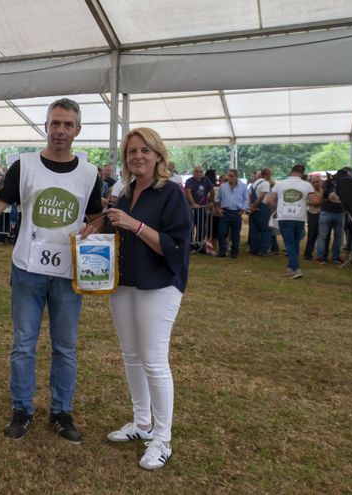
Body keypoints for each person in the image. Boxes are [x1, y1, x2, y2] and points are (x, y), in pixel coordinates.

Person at [0, 98, 103, 443]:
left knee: (65, 347)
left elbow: (96, 217)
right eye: (55, 123)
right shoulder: (24, 166)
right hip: (27, 270)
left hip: (67, 274)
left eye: (68, 124)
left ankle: (61, 411)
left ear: (78, 130)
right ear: (45, 126)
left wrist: (95, 228)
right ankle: (22, 409)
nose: (60, 130)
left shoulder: (89, 173)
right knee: (23, 344)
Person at [104, 127, 191, 471]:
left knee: (154, 359)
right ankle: (142, 424)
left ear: (158, 155)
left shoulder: (171, 193)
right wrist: (98, 228)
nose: (137, 156)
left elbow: (175, 246)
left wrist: (134, 225)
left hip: (159, 284)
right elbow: (117, 231)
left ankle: (163, 437)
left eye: (144, 150)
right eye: (131, 151)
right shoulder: (125, 193)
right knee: (131, 355)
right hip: (124, 284)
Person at [266, 164, 322, 279]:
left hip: (284, 216)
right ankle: (292, 267)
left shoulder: (279, 184)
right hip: (299, 217)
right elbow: (316, 201)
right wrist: (320, 191)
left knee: (289, 243)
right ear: (302, 173)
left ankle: (294, 268)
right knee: (295, 243)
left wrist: (277, 208)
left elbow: (269, 200)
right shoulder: (307, 185)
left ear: (291, 171)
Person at [315, 167, 352, 265]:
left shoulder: (330, 182)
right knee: (332, 237)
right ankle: (328, 257)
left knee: (329, 237)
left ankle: (326, 257)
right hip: (334, 212)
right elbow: (333, 196)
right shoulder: (337, 183)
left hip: (332, 212)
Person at [214, 169, 248, 258]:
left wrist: (242, 210)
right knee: (221, 232)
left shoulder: (243, 187)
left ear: (236, 176)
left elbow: (246, 199)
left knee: (236, 234)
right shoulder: (223, 186)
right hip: (225, 212)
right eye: (228, 175)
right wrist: (217, 208)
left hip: (237, 212)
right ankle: (222, 251)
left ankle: (234, 252)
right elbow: (217, 198)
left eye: (231, 176)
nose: (229, 178)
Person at [184, 165, 214, 251]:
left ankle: (199, 245)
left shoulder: (206, 180)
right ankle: (189, 245)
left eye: (200, 171)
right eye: (196, 171)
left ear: (203, 172)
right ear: (193, 173)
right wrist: (193, 203)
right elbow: (187, 192)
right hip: (191, 208)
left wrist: (211, 201)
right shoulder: (189, 181)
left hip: (202, 208)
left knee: (201, 227)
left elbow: (212, 190)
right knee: (190, 227)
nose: (199, 173)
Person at [247, 168, 273, 256]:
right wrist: (255, 205)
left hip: (254, 209)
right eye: (270, 174)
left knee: (254, 230)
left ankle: (253, 249)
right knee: (266, 230)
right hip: (262, 208)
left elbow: (249, 195)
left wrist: (251, 206)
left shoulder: (254, 183)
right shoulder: (266, 183)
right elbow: (262, 196)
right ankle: (263, 250)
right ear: (267, 174)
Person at [303, 174, 323, 260]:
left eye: (317, 182)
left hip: (322, 213)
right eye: (314, 182)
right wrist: (314, 202)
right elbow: (306, 201)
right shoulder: (309, 191)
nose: (316, 183)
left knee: (321, 235)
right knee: (311, 234)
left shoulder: (323, 190)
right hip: (312, 213)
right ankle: (307, 254)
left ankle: (320, 254)